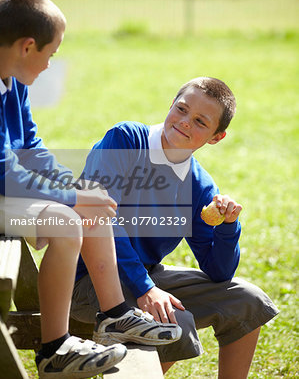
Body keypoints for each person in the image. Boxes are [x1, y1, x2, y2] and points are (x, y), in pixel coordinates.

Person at [0, 0, 181, 379]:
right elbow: (7, 173)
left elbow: (29, 147)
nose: (50, 64)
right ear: (28, 47)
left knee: (94, 201)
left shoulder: (13, 80)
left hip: (6, 190)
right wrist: (70, 197)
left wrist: (77, 187)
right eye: (52, 53)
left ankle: (114, 315)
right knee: (69, 219)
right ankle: (54, 349)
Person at [71, 76, 279, 378]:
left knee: (248, 300)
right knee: (174, 323)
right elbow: (100, 221)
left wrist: (228, 226)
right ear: (171, 103)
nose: (185, 122)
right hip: (90, 282)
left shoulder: (198, 185)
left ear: (216, 137)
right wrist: (145, 288)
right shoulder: (126, 140)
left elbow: (219, 271)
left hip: (145, 276)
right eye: (181, 109)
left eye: (200, 122)